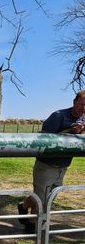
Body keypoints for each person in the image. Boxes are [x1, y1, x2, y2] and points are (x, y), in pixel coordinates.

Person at [18, 90, 85, 231]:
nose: (84, 108)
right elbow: (44, 140)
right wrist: (70, 131)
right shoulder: (58, 116)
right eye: (82, 104)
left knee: (49, 197)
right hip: (46, 165)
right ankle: (35, 228)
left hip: (63, 166)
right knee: (42, 200)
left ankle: (23, 206)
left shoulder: (83, 119)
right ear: (74, 102)